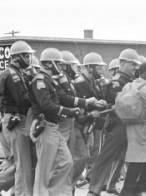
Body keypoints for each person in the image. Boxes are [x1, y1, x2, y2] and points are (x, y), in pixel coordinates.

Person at [29, 47, 101, 196]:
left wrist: (82, 103)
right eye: (59, 64)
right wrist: (68, 111)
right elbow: (46, 105)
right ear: (49, 64)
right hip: (46, 126)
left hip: (54, 127)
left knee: (66, 162)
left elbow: (62, 98)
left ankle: (57, 192)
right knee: (44, 168)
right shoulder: (40, 80)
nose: (62, 67)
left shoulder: (49, 81)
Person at [88, 48, 141, 196]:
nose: (135, 68)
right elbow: (120, 102)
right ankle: (94, 189)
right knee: (107, 156)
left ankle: (116, 186)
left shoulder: (130, 80)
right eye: (132, 64)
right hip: (117, 123)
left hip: (128, 124)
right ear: (122, 63)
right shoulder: (117, 82)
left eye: (136, 65)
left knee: (124, 158)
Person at [120, 62, 146, 196]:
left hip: (132, 127)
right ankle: (138, 188)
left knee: (135, 161)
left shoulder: (129, 86)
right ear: (143, 73)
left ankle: (128, 190)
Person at [0, 40, 35, 196]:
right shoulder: (12, 74)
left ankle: (17, 191)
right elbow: (23, 100)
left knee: (23, 161)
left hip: (18, 118)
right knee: (22, 162)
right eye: (26, 56)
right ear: (16, 57)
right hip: (15, 119)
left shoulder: (18, 73)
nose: (29, 59)